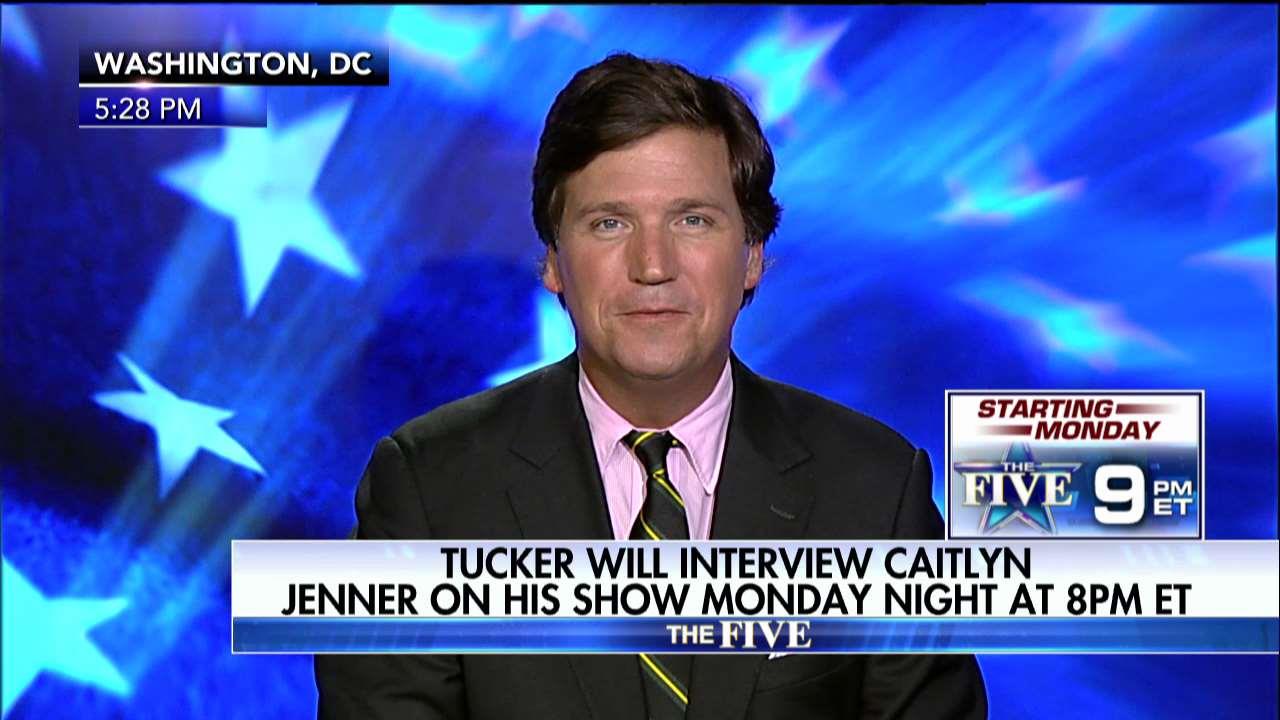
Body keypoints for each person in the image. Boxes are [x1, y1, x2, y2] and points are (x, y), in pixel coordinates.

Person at [315, 52, 987, 719]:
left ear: (753, 256)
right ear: (554, 262)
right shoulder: (429, 488)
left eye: (692, 220)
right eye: (609, 223)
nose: (653, 265)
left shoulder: (876, 490)